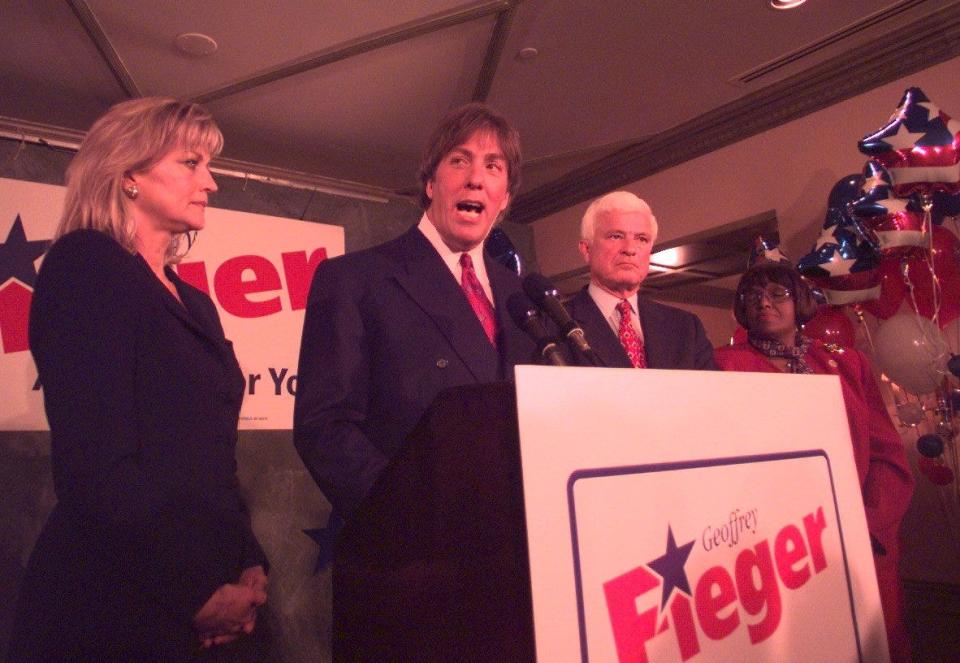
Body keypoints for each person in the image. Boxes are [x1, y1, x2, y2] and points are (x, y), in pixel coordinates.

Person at [7, 98, 268, 661]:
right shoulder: (86, 265)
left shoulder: (196, 302)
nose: (212, 183)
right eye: (192, 163)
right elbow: (96, 466)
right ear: (128, 173)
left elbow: (213, 460)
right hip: (114, 602)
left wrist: (248, 561)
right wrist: (194, 592)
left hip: (208, 591)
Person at [294, 102, 535, 520]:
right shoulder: (354, 280)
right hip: (412, 553)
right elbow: (324, 427)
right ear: (430, 183)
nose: (476, 179)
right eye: (460, 161)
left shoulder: (523, 297)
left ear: (505, 198)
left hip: (514, 541)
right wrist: (407, 512)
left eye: (493, 167)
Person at [714, 262, 914, 662]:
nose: (765, 302)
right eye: (753, 296)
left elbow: (885, 451)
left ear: (800, 301)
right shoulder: (722, 364)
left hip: (857, 535)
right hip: (773, 542)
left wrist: (870, 525)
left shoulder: (847, 363)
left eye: (777, 293)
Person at [566, 190, 716, 369]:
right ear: (586, 249)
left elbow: (710, 395)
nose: (629, 249)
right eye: (616, 236)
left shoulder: (686, 329)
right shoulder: (554, 325)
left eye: (641, 239)